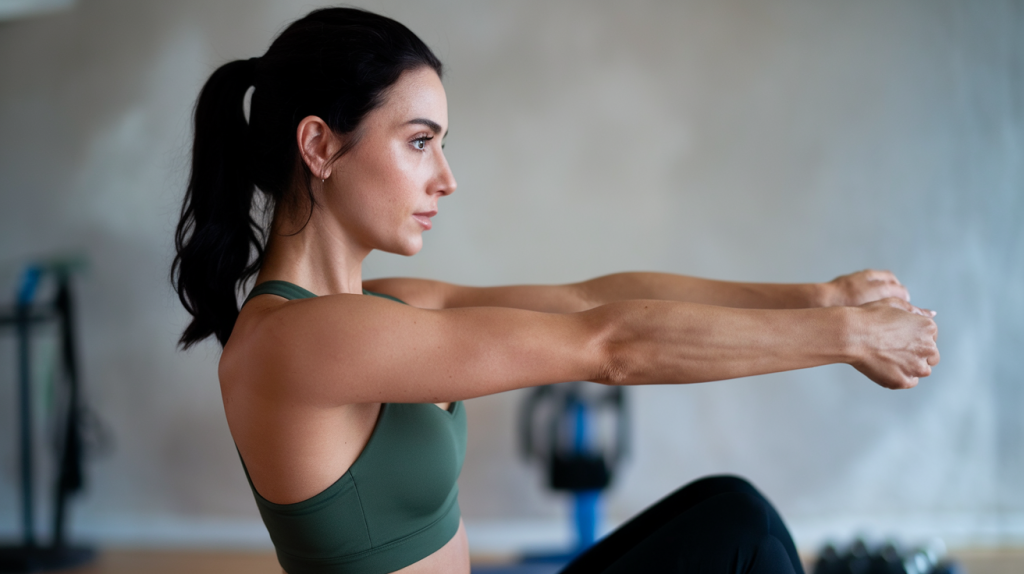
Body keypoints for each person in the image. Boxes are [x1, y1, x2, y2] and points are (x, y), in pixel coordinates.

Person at [171, 7, 939, 574]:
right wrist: (848, 339)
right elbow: (609, 344)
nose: (446, 177)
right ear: (319, 145)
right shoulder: (298, 340)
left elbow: (585, 300)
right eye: (419, 143)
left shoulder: (384, 309)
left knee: (732, 508)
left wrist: (818, 298)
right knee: (744, 540)